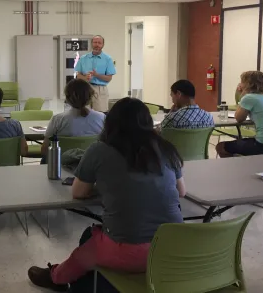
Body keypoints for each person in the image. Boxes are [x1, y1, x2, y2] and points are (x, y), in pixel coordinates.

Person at [27, 97, 185, 292]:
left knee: (85, 250)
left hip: (129, 250)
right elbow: (181, 191)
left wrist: (106, 187)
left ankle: (57, 278)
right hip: (173, 247)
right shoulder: (166, 149)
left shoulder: (99, 150)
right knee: (91, 237)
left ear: (110, 123)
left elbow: (78, 192)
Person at [216, 70, 263, 158]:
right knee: (242, 142)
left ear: (248, 84)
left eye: (242, 82)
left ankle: (236, 168)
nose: (240, 84)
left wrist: (241, 94)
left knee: (221, 147)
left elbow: (238, 118)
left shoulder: (250, 98)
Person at [41, 78, 105, 161]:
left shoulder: (58, 120)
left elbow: (44, 150)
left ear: (67, 98)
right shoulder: (101, 118)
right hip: (91, 166)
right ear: (91, 96)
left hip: (62, 166)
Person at [74, 35, 116, 113]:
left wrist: (97, 75)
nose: (97, 45)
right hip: (86, 87)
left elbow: (109, 78)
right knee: (84, 112)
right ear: (92, 44)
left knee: (100, 113)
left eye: (99, 43)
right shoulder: (83, 58)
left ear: (103, 45)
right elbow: (78, 75)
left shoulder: (108, 59)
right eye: (95, 42)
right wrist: (84, 77)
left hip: (100, 89)